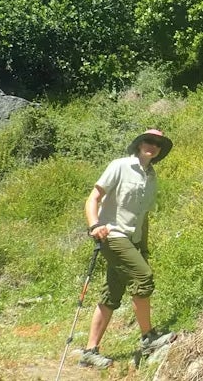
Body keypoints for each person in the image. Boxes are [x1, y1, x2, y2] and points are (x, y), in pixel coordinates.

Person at [78, 129, 177, 369]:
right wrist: (94, 226)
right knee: (143, 277)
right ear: (139, 144)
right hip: (112, 234)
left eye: (157, 144)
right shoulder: (119, 166)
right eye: (148, 141)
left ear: (160, 151)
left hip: (133, 239)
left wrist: (142, 246)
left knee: (112, 292)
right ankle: (148, 338)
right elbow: (93, 198)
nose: (152, 146)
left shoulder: (151, 176)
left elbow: (142, 216)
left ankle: (90, 352)